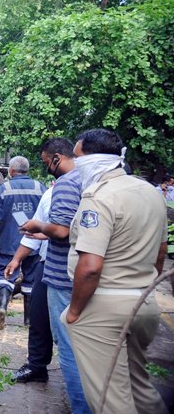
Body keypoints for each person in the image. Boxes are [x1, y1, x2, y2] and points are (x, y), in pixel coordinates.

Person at [63, 129, 168, 413]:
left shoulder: (98, 197)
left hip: (104, 311)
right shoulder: (150, 192)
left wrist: (73, 312)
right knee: (140, 388)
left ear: (93, 160)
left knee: (111, 400)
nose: (74, 163)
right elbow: (160, 253)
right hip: (143, 305)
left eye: (77, 156)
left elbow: (90, 268)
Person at [19, 137, 90, 414]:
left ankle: (82, 407)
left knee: (68, 343)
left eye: (47, 162)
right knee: (40, 318)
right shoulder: (94, 184)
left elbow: (61, 231)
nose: (47, 167)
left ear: (58, 158)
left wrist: (41, 226)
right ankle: (38, 366)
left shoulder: (67, 184)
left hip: (63, 274)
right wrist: (40, 233)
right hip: (61, 267)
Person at [0, 156, 46, 330]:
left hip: (9, 242)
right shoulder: (40, 188)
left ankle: (2, 307)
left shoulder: (4, 189)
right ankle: (28, 320)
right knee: (31, 281)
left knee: (5, 276)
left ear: (11, 170)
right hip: (34, 242)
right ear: (27, 170)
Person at [4, 185, 54, 382]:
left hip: (74, 265)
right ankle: (37, 366)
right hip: (46, 260)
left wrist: (46, 232)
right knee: (39, 316)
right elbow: (32, 235)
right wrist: (16, 259)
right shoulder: (48, 193)